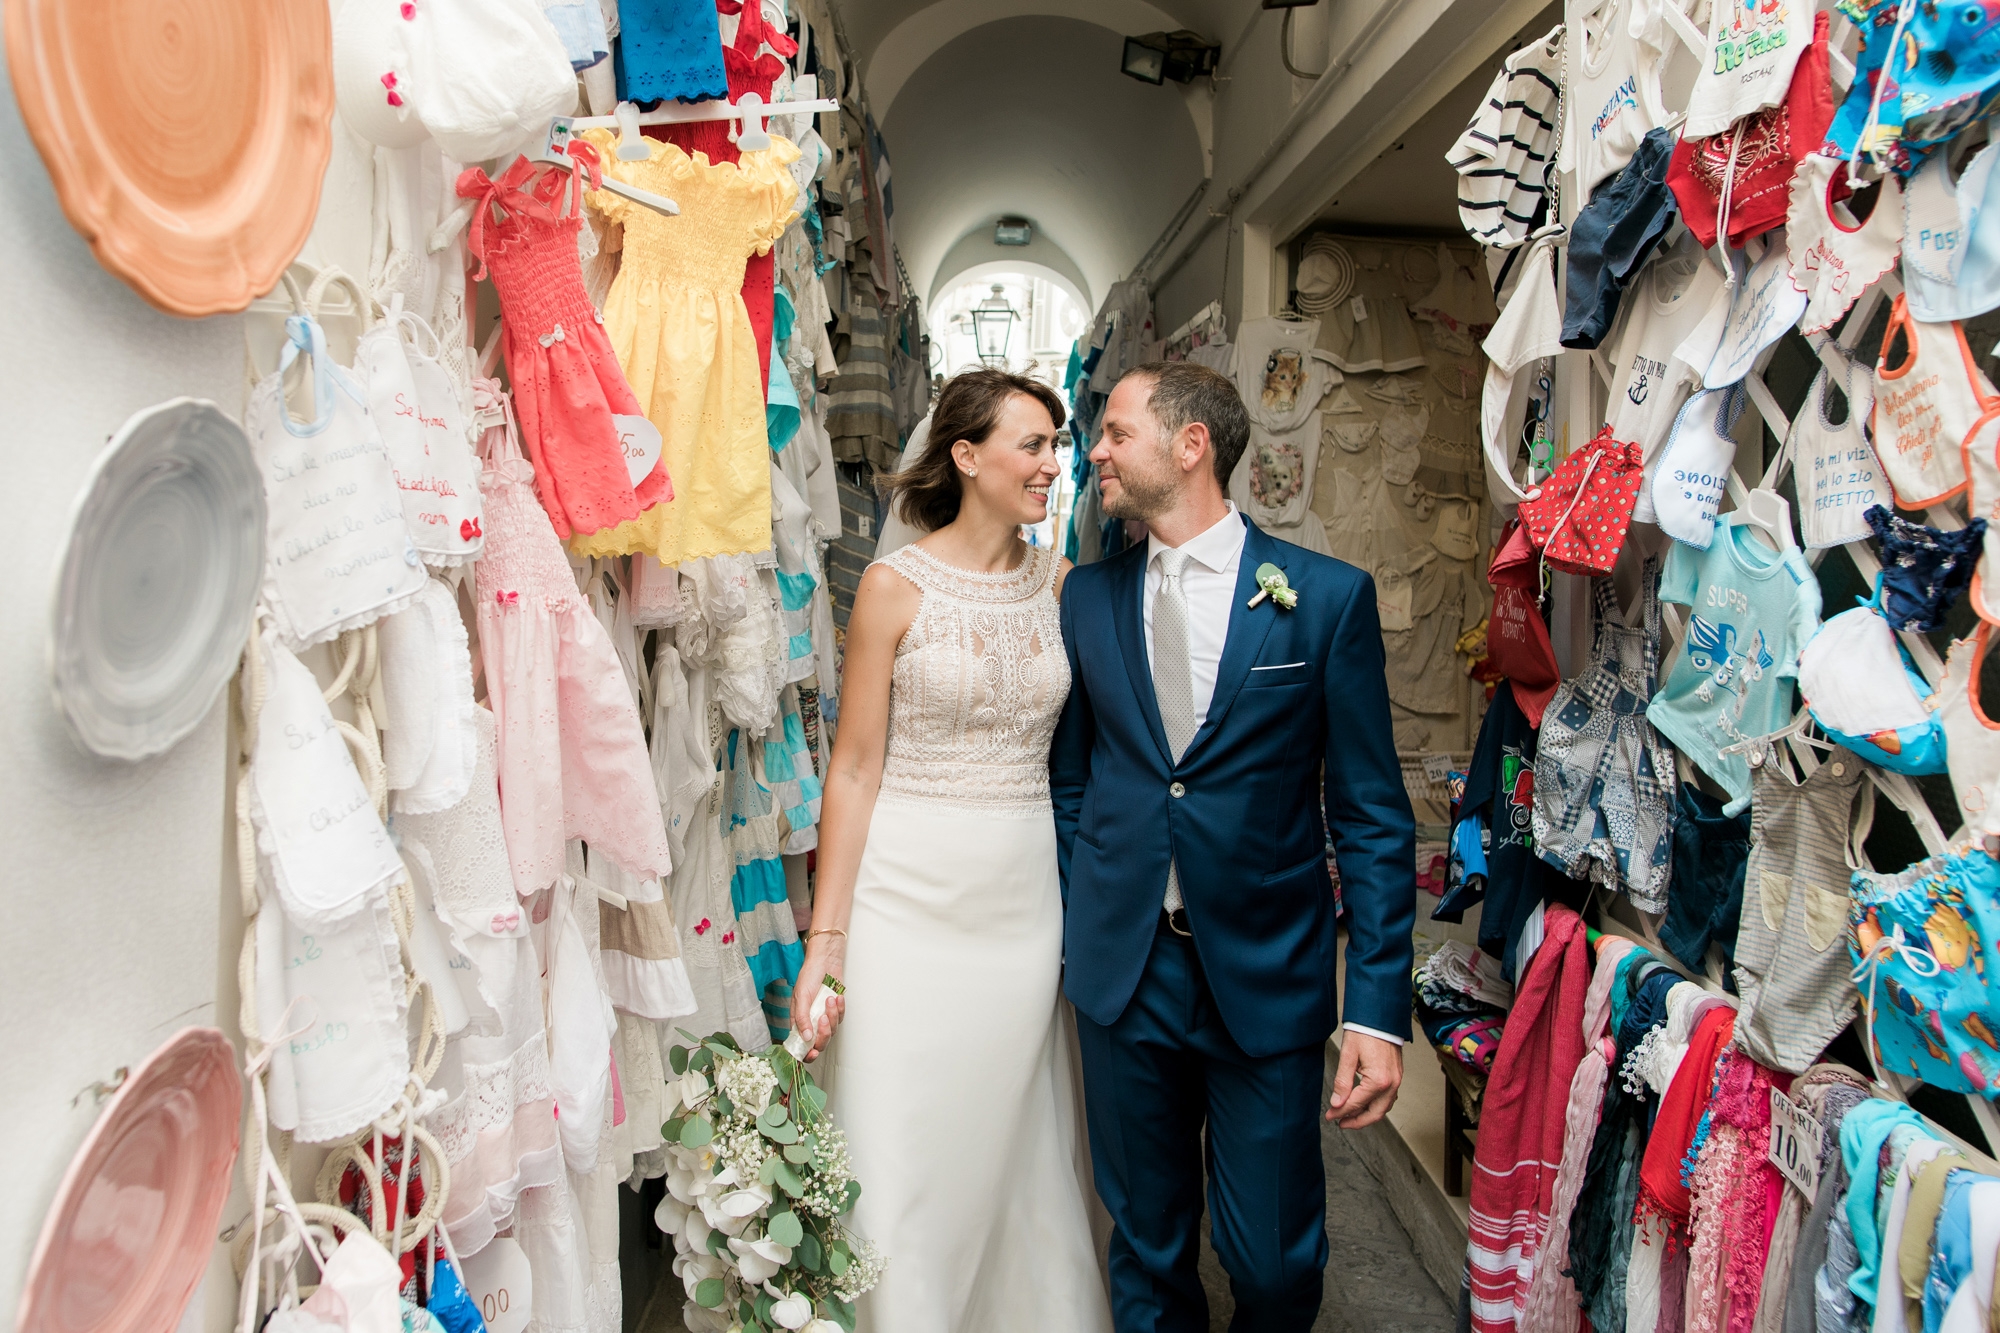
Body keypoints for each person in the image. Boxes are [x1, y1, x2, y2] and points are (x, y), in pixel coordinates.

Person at [1051, 360, 1415, 1332]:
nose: (1095, 450)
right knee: (1146, 1245)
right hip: (1124, 977)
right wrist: (1077, 912)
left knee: (1272, 1264)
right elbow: (1072, 782)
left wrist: (1375, 1012)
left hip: (1266, 971)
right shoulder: (1084, 599)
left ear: (1189, 444)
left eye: (1116, 431)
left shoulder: (1324, 600)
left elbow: (1372, 816)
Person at [791, 368, 1113, 1331]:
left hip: (1019, 899)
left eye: (1057, 446)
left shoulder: (1067, 588)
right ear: (967, 457)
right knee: (902, 1127)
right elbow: (851, 771)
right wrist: (828, 938)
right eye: (1034, 445)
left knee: (1007, 1131)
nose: (1053, 465)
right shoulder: (891, 589)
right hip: (903, 894)